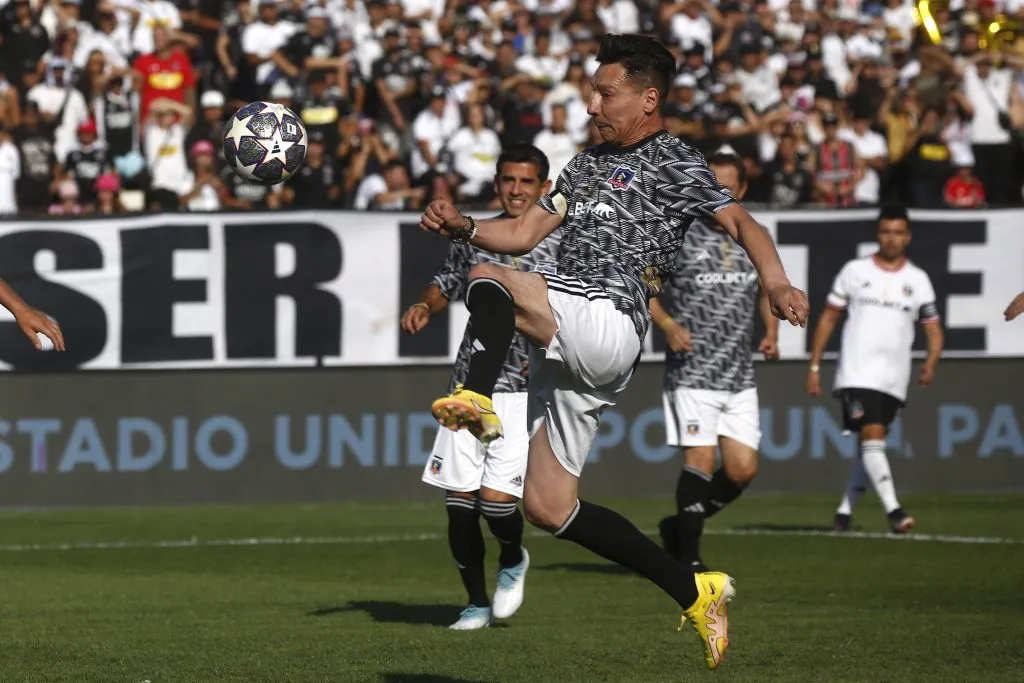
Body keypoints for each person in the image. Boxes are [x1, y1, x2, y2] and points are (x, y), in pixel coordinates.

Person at [418, 34, 809, 670]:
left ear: (648, 98)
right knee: (547, 506)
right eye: (592, 91)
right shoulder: (582, 165)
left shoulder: (675, 160)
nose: (593, 103)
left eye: (606, 92)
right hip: (576, 349)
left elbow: (742, 223)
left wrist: (775, 281)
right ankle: (693, 589)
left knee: (487, 280)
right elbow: (518, 233)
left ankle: (474, 397)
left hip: (609, 314)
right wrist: (464, 224)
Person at [401, 144, 560, 631]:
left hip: (523, 391)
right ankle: (474, 603)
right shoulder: (476, 235)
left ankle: (512, 557)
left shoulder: (560, 242)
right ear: (496, 183)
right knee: (458, 505)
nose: (516, 190)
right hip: (469, 385)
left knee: (496, 504)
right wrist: (427, 304)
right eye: (508, 180)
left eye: (526, 182)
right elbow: (445, 282)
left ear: (544, 188)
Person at [649, 151, 780, 571]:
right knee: (700, 463)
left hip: (738, 373)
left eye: (727, 186)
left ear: (740, 189)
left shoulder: (751, 235)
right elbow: (641, 286)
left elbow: (766, 287)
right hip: (692, 370)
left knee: (742, 471)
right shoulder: (679, 234)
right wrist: (668, 325)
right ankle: (688, 562)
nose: (718, 193)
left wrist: (772, 331)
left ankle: (677, 527)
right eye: (712, 184)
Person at [806, 205, 943, 534]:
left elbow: (933, 328)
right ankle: (894, 511)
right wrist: (814, 365)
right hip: (857, 372)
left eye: (898, 232)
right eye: (885, 232)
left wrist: (930, 362)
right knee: (873, 434)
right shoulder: (855, 271)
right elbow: (828, 317)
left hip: (894, 377)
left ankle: (843, 513)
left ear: (907, 237)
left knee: (871, 444)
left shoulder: (918, 280)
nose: (891, 238)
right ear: (877, 235)